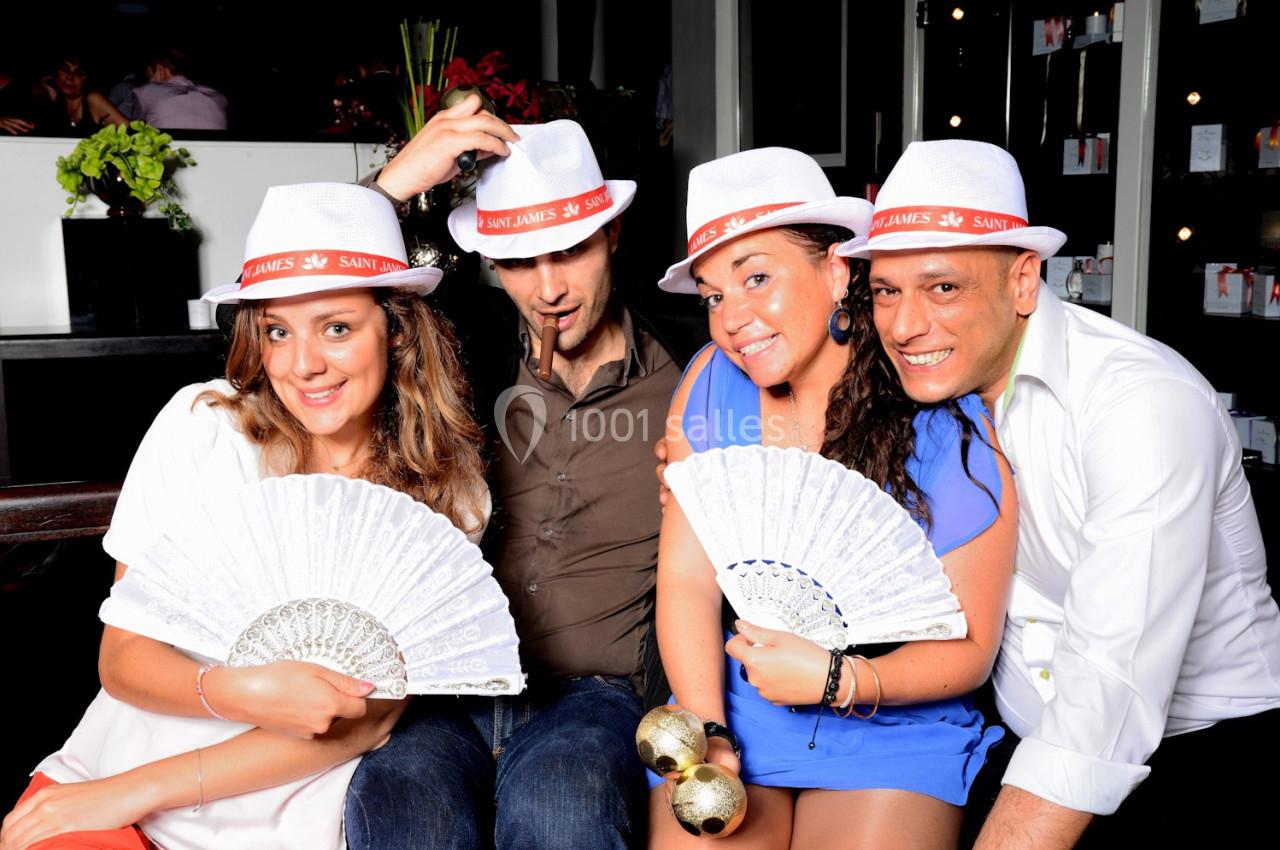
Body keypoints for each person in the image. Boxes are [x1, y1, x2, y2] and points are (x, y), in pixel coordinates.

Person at [0, 182, 488, 850]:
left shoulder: (449, 495)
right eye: (277, 332)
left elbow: (370, 724)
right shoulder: (202, 429)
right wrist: (233, 692)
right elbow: (123, 657)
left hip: (281, 824)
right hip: (110, 788)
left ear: (398, 330)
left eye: (337, 327)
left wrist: (144, 788)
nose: (304, 365)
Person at [839, 139, 1280, 848]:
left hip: (1198, 749)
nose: (902, 326)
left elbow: (1110, 687)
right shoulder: (927, 394)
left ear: (1022, 282)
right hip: (1016, 732)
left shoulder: (1140, 402)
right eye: (887, 290)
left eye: (942, 287)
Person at [343, 107, 693, 849]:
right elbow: (300, 322)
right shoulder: (459, 348)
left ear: (612, 236)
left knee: (564, 810)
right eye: (519, 262)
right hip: (444, 686)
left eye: (569, 251)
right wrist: (392, 186)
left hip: (593, 693)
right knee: (401, 809)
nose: (549, 288)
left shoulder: (692, 361)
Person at [649, 147, 1018, 849]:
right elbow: (688, 581)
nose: (732, 318)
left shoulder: (941, 419)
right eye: (714, 296)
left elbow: (970, 650)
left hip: (891, 717)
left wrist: (837, 680)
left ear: (836, 268)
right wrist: (710, 728)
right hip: (738, 701)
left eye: (757, 277)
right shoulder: (710, 384)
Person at [132, 48, 227, 131]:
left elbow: (132, 130)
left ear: (160, 70)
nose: (150, 81)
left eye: (150, 77)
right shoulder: (219, 96)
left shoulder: (148, 90)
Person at [34, 55, 127, 135]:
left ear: (88, 78)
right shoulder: (52, 100)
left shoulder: (93, 99)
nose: (70, 77)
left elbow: (133, 132)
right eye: (64, 69)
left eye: (79, 73)